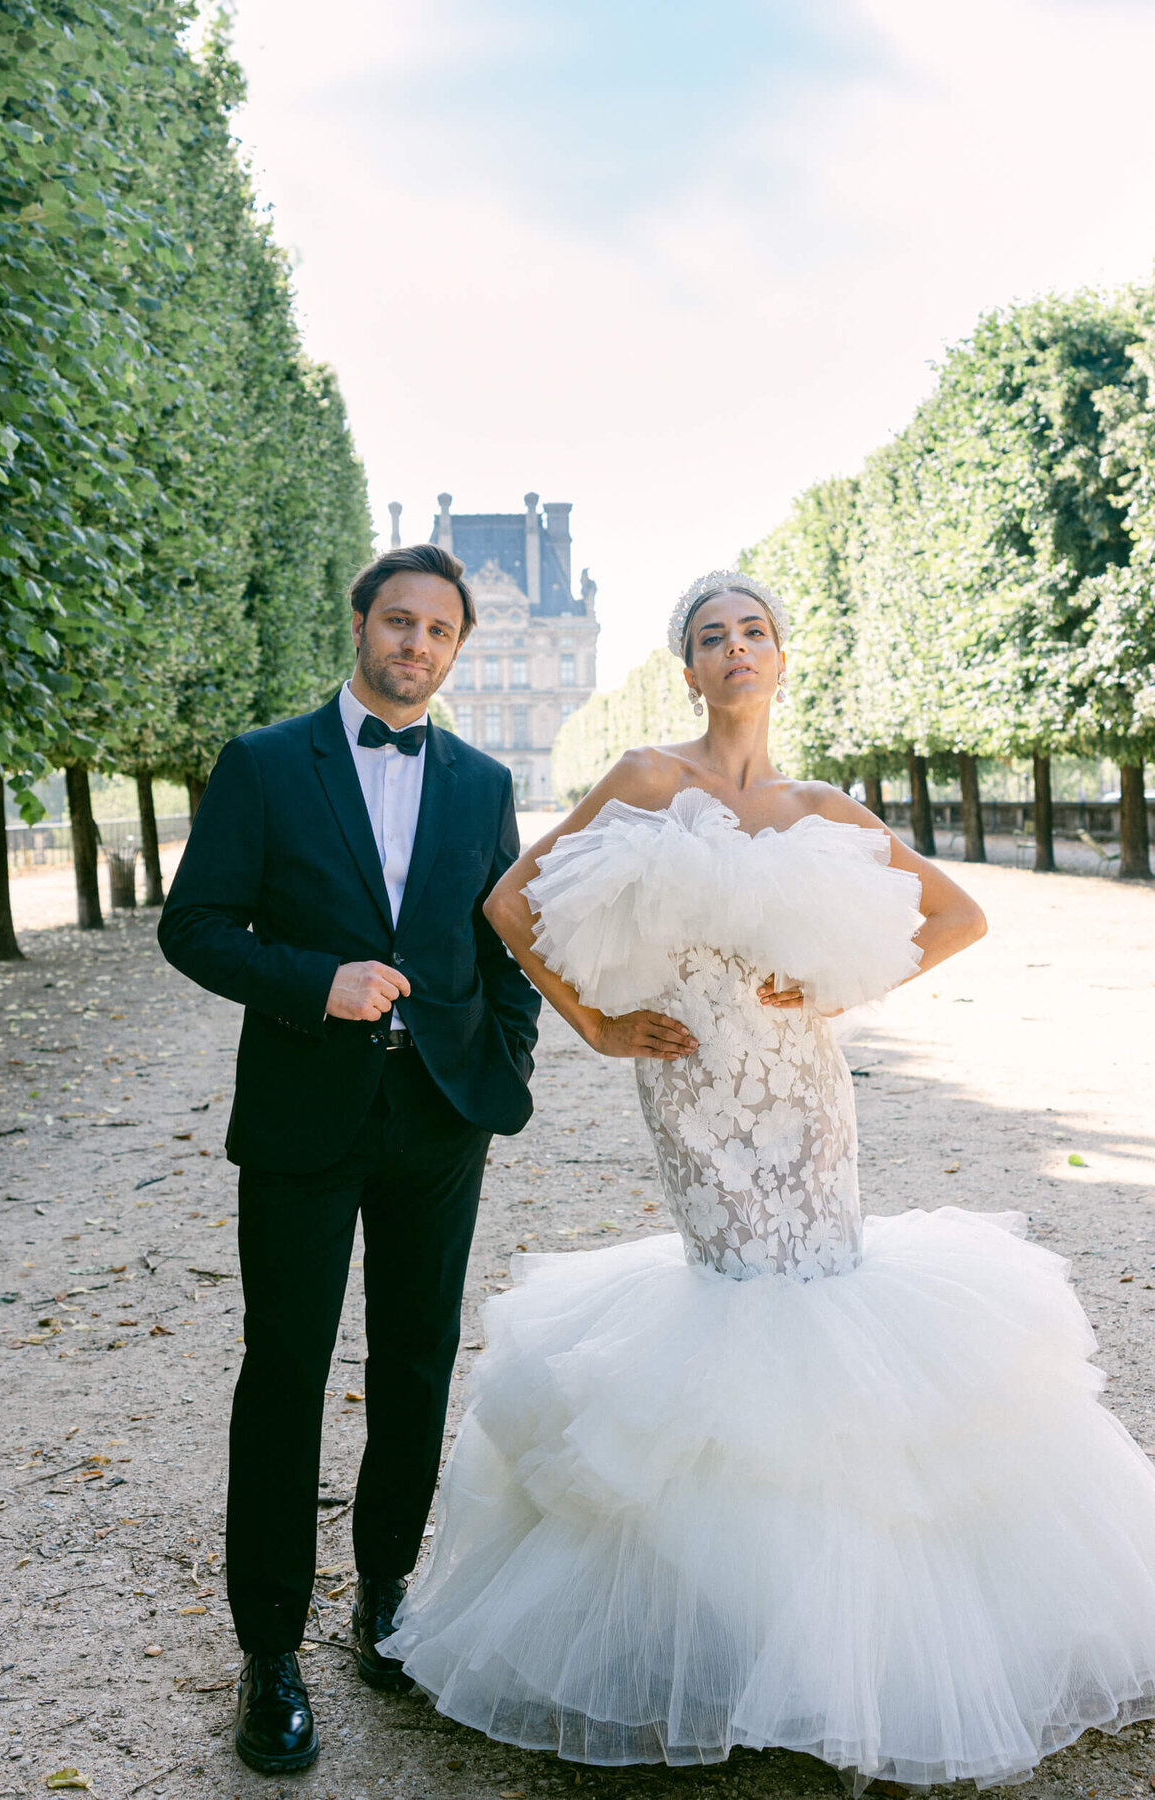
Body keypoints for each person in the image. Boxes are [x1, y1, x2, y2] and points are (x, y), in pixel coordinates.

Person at [381, 570, 1155, 1791]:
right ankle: (739, 1631)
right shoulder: (644, 776)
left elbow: (956, 916)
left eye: (752, 632)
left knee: (828, 1306)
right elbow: (509, 903)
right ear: (686, 669)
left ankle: (844, 1643)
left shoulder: (822, 806)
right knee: (742, 1305)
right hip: (694, 1093)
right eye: (709, 637)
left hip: (806, 1095)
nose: (734, 649)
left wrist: (843, 993)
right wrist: (591, 1022)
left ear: (781, 656)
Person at [157, 543, 541, 1776]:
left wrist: (501, 1074)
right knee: (285, 1372)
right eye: (398, 622)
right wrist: (314, 983)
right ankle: (269, 1648)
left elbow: (504, 950)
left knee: (419, 1361)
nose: (416, 645)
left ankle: (384, 1597)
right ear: (362, 625)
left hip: (438, 1118)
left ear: (456, 649)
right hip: (302, 1120)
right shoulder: (266, 764)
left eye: (439, 631)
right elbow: (196, 927)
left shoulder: (481, 784)